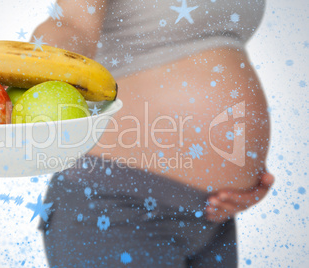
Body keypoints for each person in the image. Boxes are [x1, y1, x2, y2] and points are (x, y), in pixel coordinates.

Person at [31, 0, 275, 267]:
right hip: (114, 205)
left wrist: (245, 171)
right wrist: (38, 67)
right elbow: (71, 23)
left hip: (215, 216)